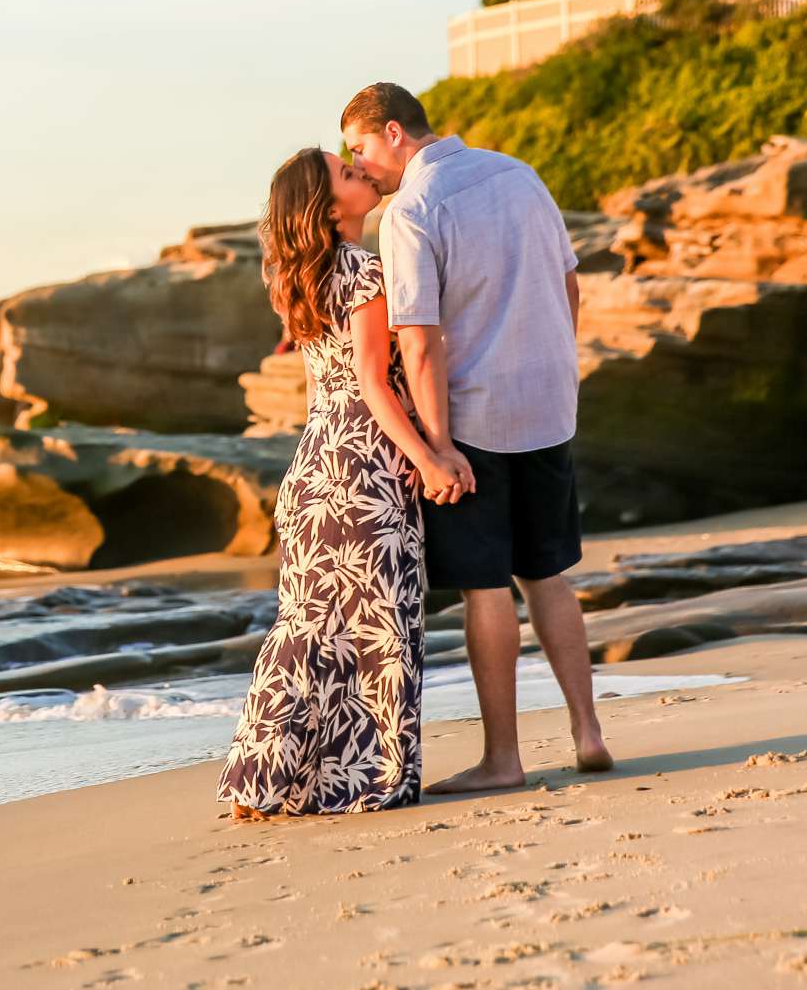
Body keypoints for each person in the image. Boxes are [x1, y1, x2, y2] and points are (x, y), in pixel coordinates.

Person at [339, 82, 615, 793]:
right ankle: (589, 731)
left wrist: (436, 448)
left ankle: (503, 760)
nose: (362, 166)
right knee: (547, 572)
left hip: (474, 421)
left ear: (394, 132)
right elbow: (569, 286)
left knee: (486, 585)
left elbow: (420, 343)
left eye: (361, 149)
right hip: (548, 406)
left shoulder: (413, 211)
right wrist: (555, 368)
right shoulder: (520, 174)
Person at [215, 148, 464, 819]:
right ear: (329, 209)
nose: (362, 173)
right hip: (364, 471)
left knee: (308, 628)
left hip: (313, 469)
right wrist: (431, 455)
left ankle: (266, 779)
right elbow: (373, 385)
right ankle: (369, 778)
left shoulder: (297, 278)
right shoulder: (364, 273)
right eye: (347, 174)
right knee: (380, 626)